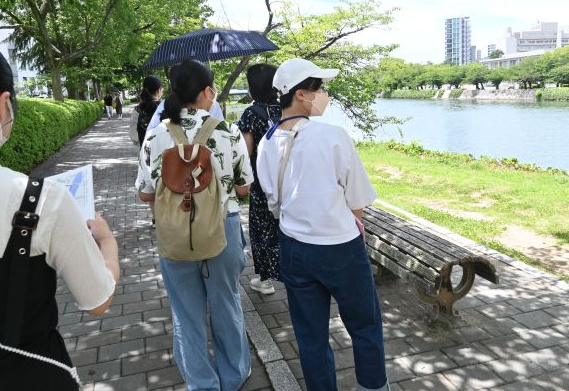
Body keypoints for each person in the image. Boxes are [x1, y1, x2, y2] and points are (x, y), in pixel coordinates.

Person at [0, 25, 119, 390]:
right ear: (1, 105)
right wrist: (109, 245)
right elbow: (97, 300)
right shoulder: (40, 199)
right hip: (35, 376)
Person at [256, 58, 389, 391]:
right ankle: (373, 387)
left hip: (294, 248)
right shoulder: (333, 136)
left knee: (310, 336)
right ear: (301, 94)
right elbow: (357, 197)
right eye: (321, 88)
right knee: (364, 326)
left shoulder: (267, 142)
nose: (325, 94)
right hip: (340, 248)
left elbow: (273, 202)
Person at [135, 59, 253, 391]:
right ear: (206, 92)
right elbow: (244, 187)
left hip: (174, 232)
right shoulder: (226, 131)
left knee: (186, 314)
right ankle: (234, 375)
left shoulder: (156, 135)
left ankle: (202, 383)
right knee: (226, 303)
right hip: (223, 229)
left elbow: (144, 194)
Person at [237, 64, 282, 295]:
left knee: (263, 228)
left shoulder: (251, 114)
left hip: (261, 184)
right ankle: (293, 274)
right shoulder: (287, 109)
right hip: (288, 181)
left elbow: (245, 153)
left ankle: (265, 280)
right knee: (287, 227)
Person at [129, 76, 162, 147]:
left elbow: (133, 135)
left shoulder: (137, 110)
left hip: (144, 151)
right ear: (158, 90)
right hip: (166, 152)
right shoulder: (166, 107)